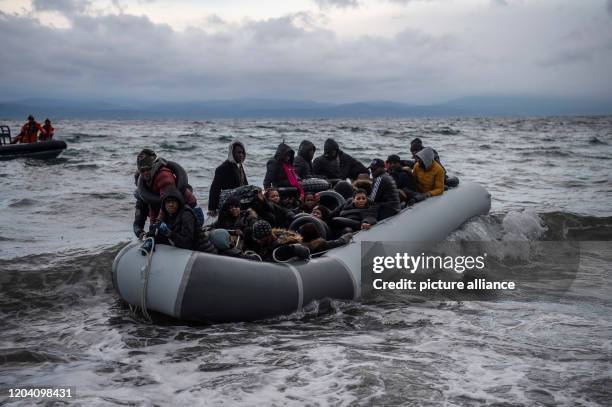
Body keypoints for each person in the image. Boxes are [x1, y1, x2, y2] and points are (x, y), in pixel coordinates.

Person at [135, 148, 202, 228]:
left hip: (192, 213)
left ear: (153, 166)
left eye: (148, 169)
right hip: (173, 214)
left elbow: (168, 202)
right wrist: (152, 226)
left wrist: (157, 224)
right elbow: (152, 205)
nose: (145, 173)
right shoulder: (146, 182)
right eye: (142, 170)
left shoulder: (163, 177)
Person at [151, 187, 216, 253]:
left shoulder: (186, 214)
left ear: (179, 202)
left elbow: (187, 243)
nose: (171, 204)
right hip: (188, 251)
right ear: (164, 205)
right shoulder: (167, 215)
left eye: (173, 201)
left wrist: (169, 233)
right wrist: (152, 235)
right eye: (168, 202)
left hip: (203, 252)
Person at [208, 140, 248, 216]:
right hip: (228, 204)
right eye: (238, 152)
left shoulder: (239, 166)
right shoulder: (223, 168)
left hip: (239, 202)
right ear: (232, 153)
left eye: (242, 152)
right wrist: (212, 208)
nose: (241, 155)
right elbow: (215, 189)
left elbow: (245, 185)